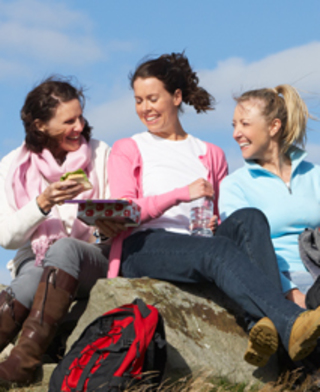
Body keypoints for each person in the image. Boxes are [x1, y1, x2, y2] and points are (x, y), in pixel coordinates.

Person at [99, 52, 320, 369]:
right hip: (144, 245)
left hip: (197, 241)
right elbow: (124, 211)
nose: (144, 108)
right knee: (215, 251)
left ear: (176, 97)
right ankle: (289, 321)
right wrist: (179, 195)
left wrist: (212, 220)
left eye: (152, 98)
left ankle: (263, 326)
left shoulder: (210, 153)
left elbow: (215, 217)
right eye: (138, 100)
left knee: (250, 219)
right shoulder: (128, 147)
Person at [0, 77, 121, 386]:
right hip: (37, 264)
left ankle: (20, 365)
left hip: (91, 258)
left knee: (65, 247)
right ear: (40, 125)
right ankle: (18, 366)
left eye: (80, 117)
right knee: (28, 280)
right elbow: (7, 238)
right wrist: (43, 202)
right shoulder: (12, 165)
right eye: (68, 121)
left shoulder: (100, 152)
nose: (79, 126)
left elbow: (119, 211)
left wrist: (103, 221)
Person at [219, 86, 320, 310]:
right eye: (234, 125)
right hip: (280, 283)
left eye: (245, 124)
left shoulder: (315, 175)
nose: (236, 133)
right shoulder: (234, 186)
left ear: (274, 126)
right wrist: (290, 292)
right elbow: (243, 252)